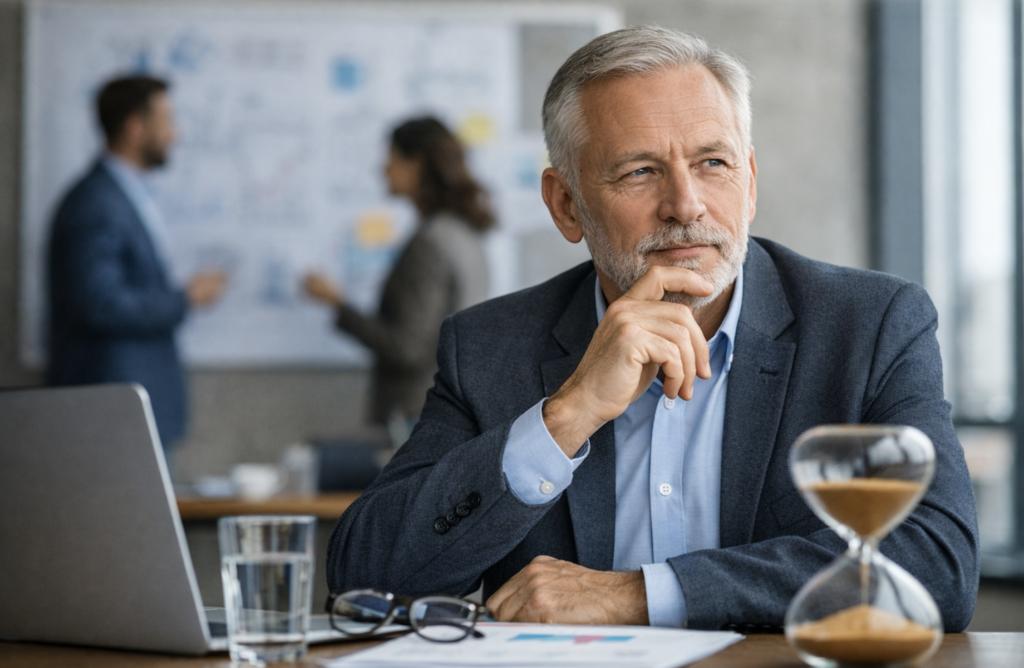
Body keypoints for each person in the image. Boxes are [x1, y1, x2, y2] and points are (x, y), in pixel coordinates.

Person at [325, 27, 979, 632]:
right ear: (566, 204)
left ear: (748, 183)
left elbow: (937, 565)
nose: (686, 205)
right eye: (641, 171)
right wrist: (566, 416)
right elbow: (364, 578)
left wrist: (637, 594)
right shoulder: (492, 346)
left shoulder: (869, 326)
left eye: (713, 164)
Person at [47, 75, 226, 450]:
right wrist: (184, 298)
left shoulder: (124, 194)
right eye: (166, 122)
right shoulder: (97, 203)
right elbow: (100, 304)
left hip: (129, 411)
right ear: (134, 127)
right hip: (112, 414)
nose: (175, 135)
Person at [303, 117, 494, 437]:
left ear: (417, 164)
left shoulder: (430, 243)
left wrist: (338, 305)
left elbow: (407, 347)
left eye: (391, 158)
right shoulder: (464, 234)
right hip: (448, 411)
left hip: (416, 415)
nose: (383, 169)